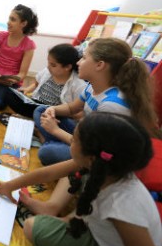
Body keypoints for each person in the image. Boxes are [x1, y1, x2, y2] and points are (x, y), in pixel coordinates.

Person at [0, 112, 162, 246]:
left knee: (32, 227)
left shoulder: (122, 206)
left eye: (74, 139)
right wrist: (10, 186)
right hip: (98, 227)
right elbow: (48, 172)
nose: (70, 140)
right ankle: (58, 213)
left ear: (91, 157)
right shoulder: (101, 166)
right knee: (75, 176)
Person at [35, 37, 160, 165]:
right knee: (41, 110)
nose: (78, 62)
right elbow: (72, 108)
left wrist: (55, 130)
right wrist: (52, 109)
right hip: (85, 136)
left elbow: (92, 147)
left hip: (98, 152)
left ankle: (55, 145)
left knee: (46, 153)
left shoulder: (111, 105)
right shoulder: (92, 86)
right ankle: (57, 143)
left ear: (99, 65)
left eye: (84, 58)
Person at [7, 43, 86, 118]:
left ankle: (32, 119)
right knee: (10, 94)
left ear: (67, 67)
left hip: (53, 113)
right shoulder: (47, 72)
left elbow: (77, 111)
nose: (48, 67)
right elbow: (36, 84)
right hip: (36, 103)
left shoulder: (78, 85)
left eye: (53, 65)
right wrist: (27, 89)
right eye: (48, 63)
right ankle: (31, 117)